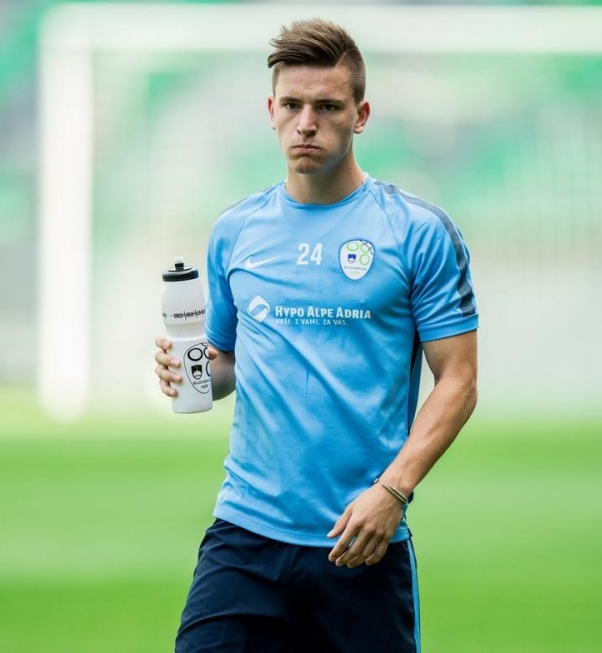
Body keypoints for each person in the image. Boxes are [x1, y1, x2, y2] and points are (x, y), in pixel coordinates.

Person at [154, 17, 479, 653]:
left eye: (327, 107)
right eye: (293, 105)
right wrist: (188, 371)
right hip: (244, 536)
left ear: (361, 115)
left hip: (359, 538)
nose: (307, 123)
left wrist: (393, 492)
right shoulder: (235, 231)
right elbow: (224, 363)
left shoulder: (416, 232)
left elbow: (459, 381)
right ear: (271, 111)